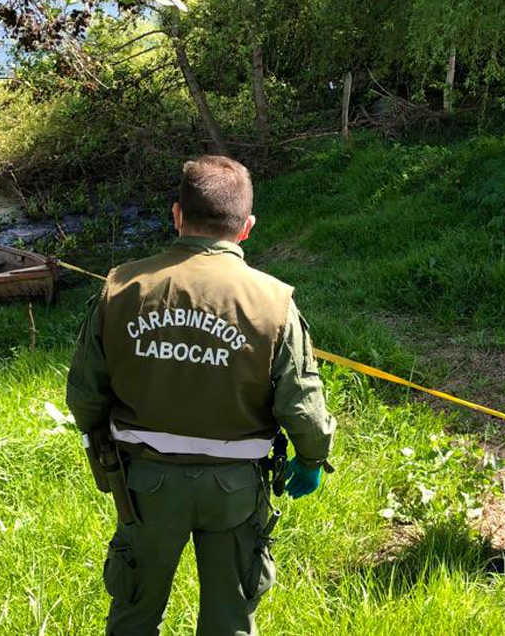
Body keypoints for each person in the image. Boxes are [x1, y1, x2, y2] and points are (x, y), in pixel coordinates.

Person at [66, 155, 336, 636]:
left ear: (176, 215)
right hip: (234, 488)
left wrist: (98, 437)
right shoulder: (272, 302)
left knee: (132, 615)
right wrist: (312, 460)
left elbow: (85, 394)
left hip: (143, 485)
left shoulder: (121, 286)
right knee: (230, 621)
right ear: (246, 227)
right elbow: (302, 403)